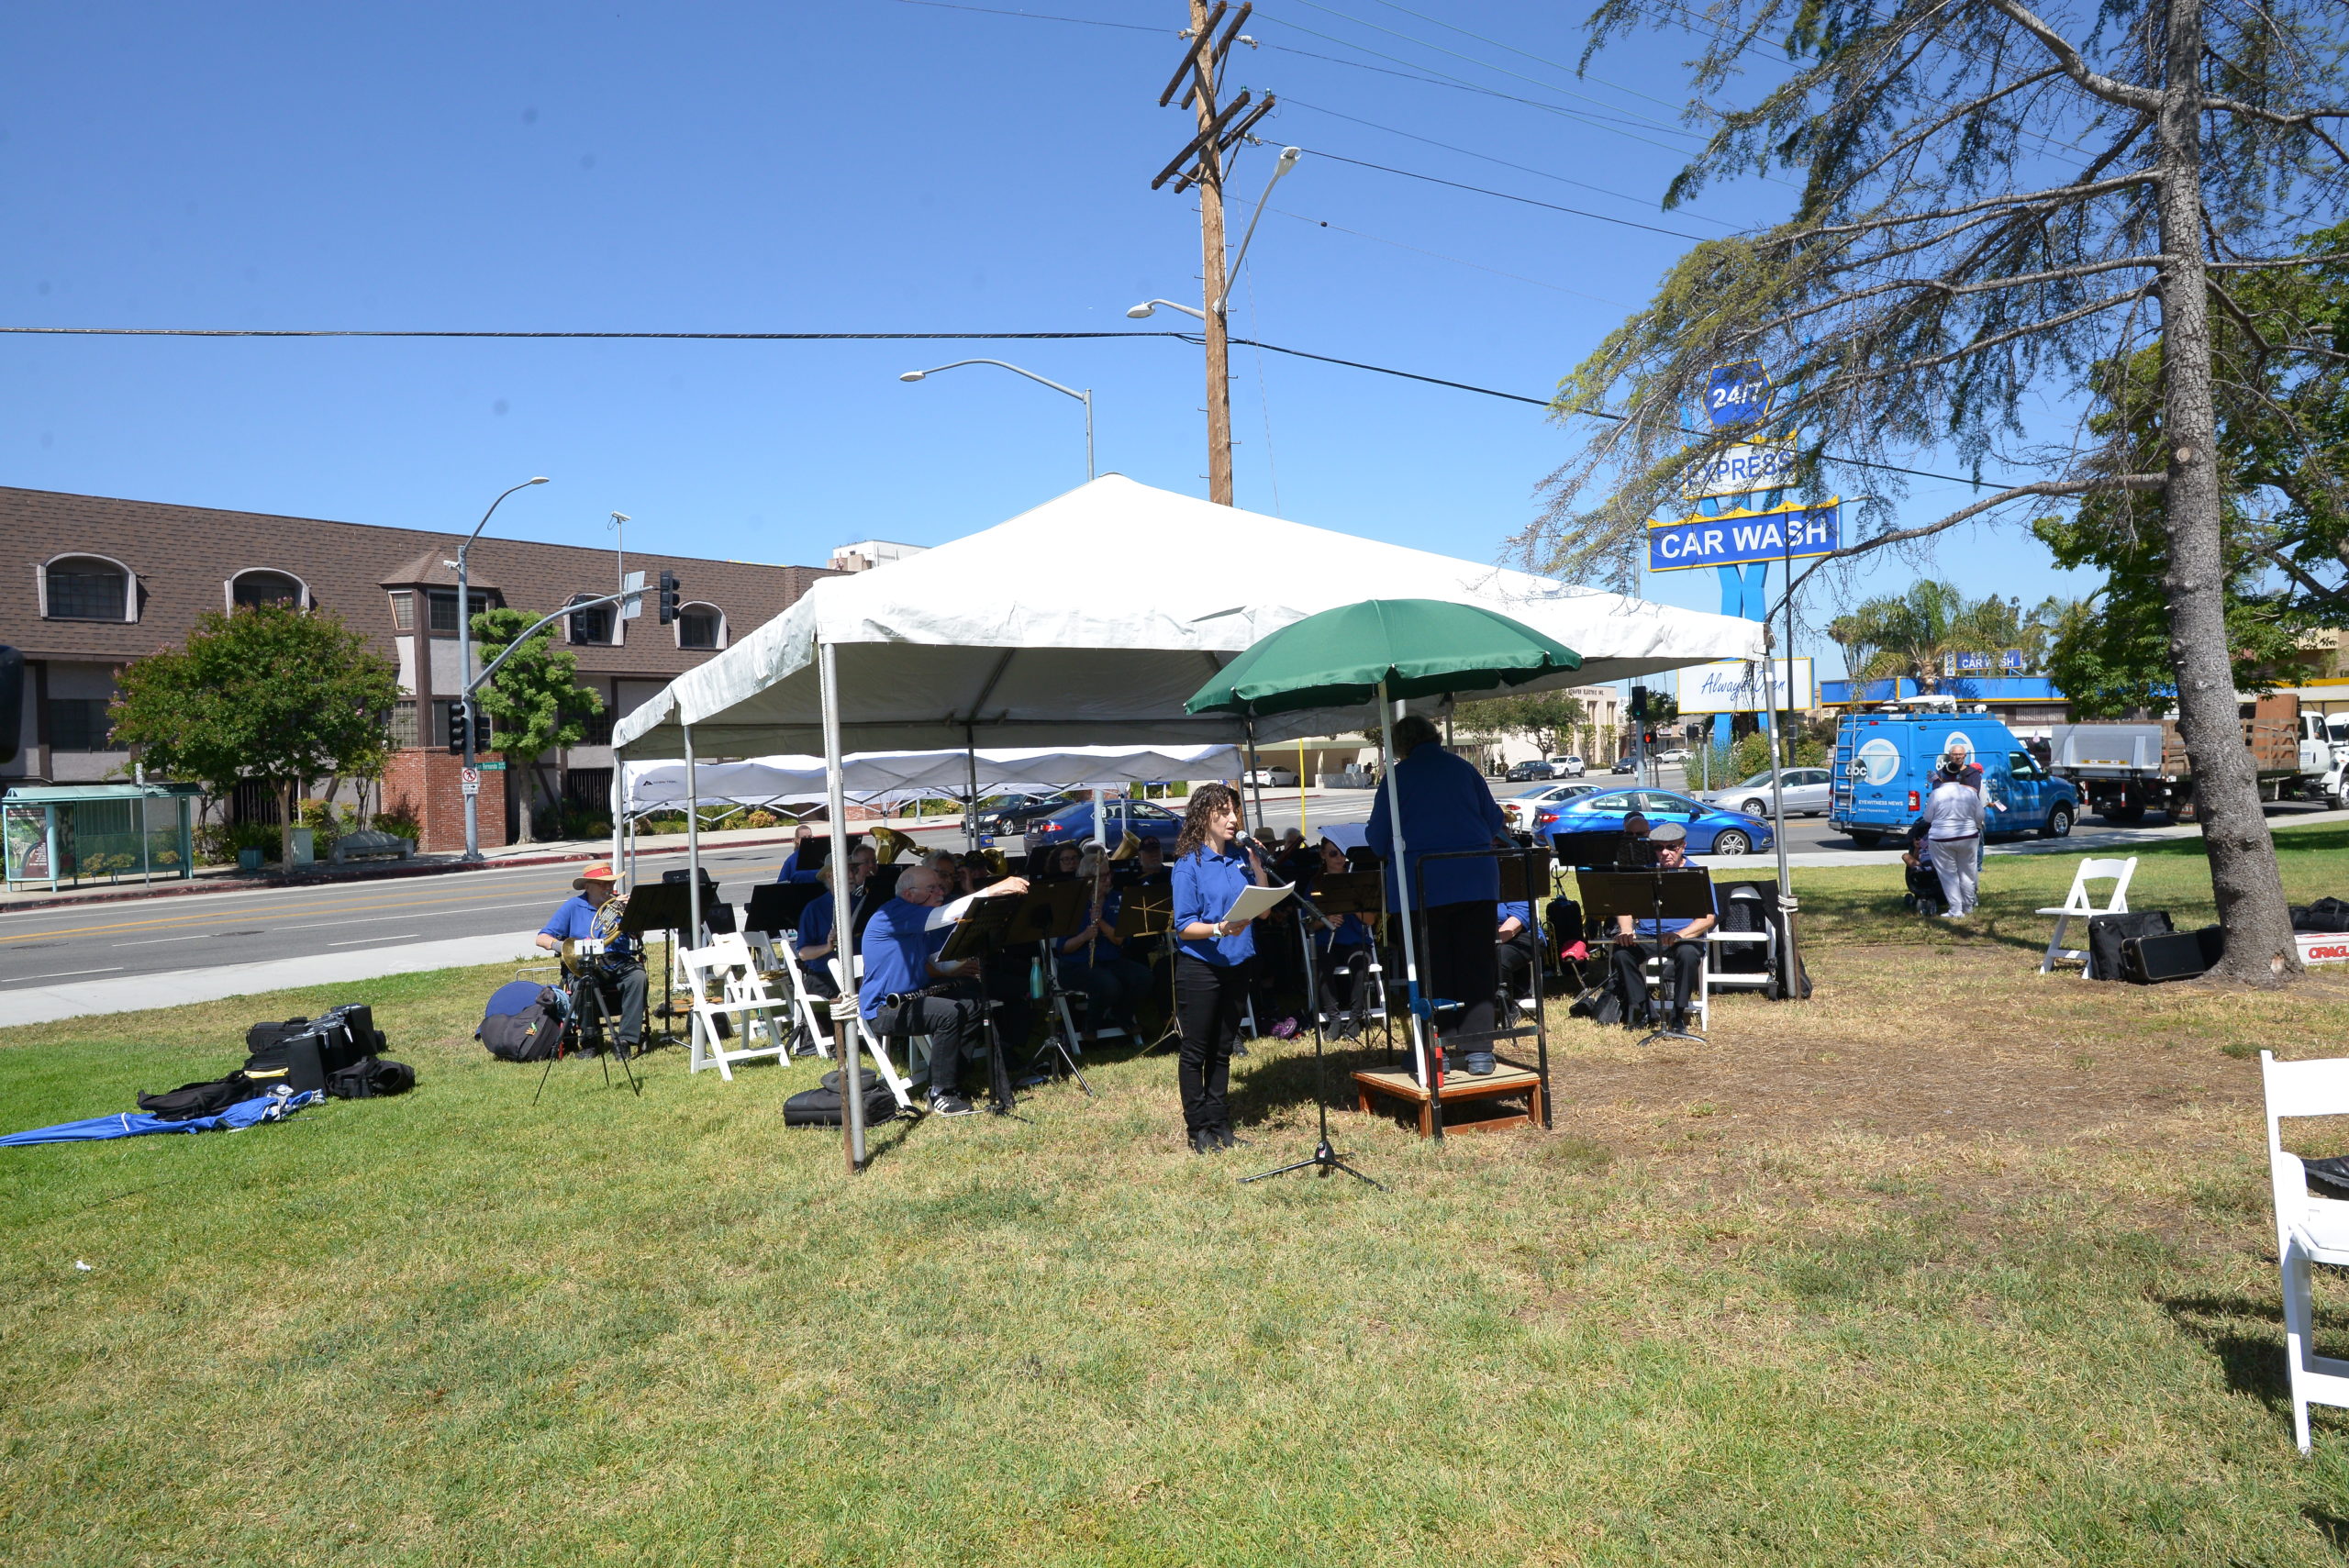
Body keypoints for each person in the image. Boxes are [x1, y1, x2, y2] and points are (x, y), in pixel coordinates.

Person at [1366, 714, 1512, 1075]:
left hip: (1423, 884)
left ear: (1401, 745)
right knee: (1477, 966)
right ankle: (1479, 1052)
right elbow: (1494, 820)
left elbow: (1377, 840)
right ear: (1434, 736)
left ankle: (1438, 1050)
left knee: (1432, 969)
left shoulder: (1397, 778)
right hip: (1476, 878)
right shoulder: (1464, 769)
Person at [859, 862, 1030, 1118]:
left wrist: (972, 941)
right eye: (932, 888)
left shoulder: (917, 921)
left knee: (973, 1005)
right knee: (949, 1013)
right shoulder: (894, 913)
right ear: (909, 894)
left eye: (940, 887)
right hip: (884, 1008)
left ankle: (954, 1080)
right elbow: (945, 915)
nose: (941, 892)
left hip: (912, 999)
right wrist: (995, 889)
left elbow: (943, 964)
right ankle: (939, 1092)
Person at [1170, 782, 1266, 1153]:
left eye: (1234, 812)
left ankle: (1220, 1123)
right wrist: (1219, 928)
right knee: (1197, 1050)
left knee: (1223, 1048)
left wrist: (1258, 867)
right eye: (1223, 812)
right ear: (1204, 816)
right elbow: (1184, 926)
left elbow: (1264, 911)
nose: (1232, 819)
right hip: (1202, 966)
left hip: (1238, 962)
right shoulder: (1189, 864)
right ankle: (1198, 1130)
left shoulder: (1239, 858)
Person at [1608, 822, 1715, 1035]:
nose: (1664, 853)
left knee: (1687, 954)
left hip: (1684, 936)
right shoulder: (1644, 873)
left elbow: (1708, 918)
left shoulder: (1696, 874)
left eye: (1671, 847)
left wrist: (1680, 935)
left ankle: (1678, 1015)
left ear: (1683, 846)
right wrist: (1626, 930)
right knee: (1621, 954)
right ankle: (1645, 1010)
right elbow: (1625, 907)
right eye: (1659, 847)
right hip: (1648, 935)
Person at [535, 862, 646, 1056]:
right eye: (602, 883)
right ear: (587, 886)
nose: (608, 887)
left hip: (618, 960)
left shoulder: (617, 905)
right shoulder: (573, 906)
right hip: (585, 961)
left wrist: (632, 914)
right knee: (584, 983)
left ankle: (626, 1040)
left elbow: (637, 935)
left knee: (638, 977)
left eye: (610, 883)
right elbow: (542, 938)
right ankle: (590, 1043)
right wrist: (565, 947)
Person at [1056, 847, 1154, 1040]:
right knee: (1109, 985)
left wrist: (1099, 921)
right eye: (1102, 878)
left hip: (1110, 960)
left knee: (1144, 977)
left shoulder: (1116, 898)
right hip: (1076, 965)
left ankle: (1122, 1015)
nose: (1108, 881)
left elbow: (1119, 940)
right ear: (1089, 880)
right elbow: (1064, 948)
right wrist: (1084, 936)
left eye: (1109, 875)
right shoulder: (1073, 903)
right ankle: (1090, 1024)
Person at [1308, 838, 1375, 1038]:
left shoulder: (1357, 881)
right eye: (1333, 853)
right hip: (1327, 943)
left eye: (1342, 853)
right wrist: (1326, 920)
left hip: (1355, 942)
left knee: (1360, 964)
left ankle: (1355, 1019)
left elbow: (1371, 920)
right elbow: (1308, 924)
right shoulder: (1315, 884)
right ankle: (1334, 1019)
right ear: (1323, 855)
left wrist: (1352, 903)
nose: (1339, 858)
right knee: (1322, 964)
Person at [1922, 760, 1987, 917]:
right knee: (1968, 873)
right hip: (1968, 836)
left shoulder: (1937, 794)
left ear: (1943, 777)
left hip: (1941, 838)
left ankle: (1956, 909)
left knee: (1948, 875)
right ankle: (1968, 907)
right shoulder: (1970, 792)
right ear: (1959, 776)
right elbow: (1980, 815)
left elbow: (1928, 817)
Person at [1495, 890, 1540, 1006]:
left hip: (1523, 934)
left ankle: (1506, 1009)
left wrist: (1487, 944)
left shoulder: (1512, 884)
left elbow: (1518, 920)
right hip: (1486, 936)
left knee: (1498, 958)